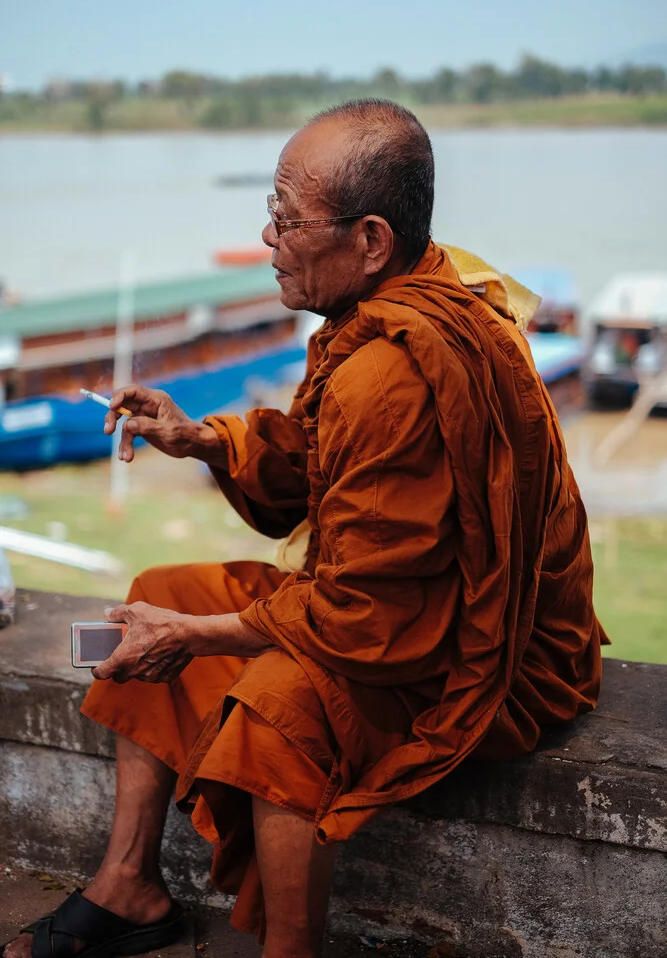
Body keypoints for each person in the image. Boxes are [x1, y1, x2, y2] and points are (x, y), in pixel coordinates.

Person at [2, 100, 607, 958]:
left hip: (485, 653)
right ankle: (129, 885)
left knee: (276, 703)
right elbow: (316, 469)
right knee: (155, 596)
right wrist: (201, 438)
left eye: (287, 221)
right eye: (271, 215)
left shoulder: (394, 366)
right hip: (402, 608)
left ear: (369, 239)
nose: (267, 239)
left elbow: (361, 618)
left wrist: (196, 638)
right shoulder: (389, 305)